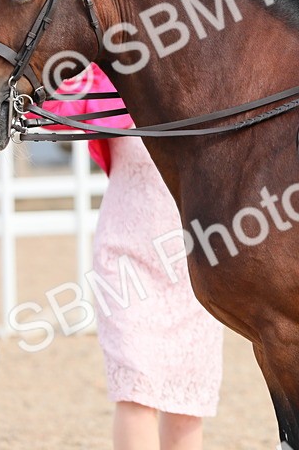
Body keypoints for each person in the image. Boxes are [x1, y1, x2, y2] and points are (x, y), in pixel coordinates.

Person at [44, 65, 223, 450]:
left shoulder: (207, 74)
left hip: (193, 260)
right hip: (125, 255)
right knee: (134, 388)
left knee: (188, 400)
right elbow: (49, 108)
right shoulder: (108, 78)